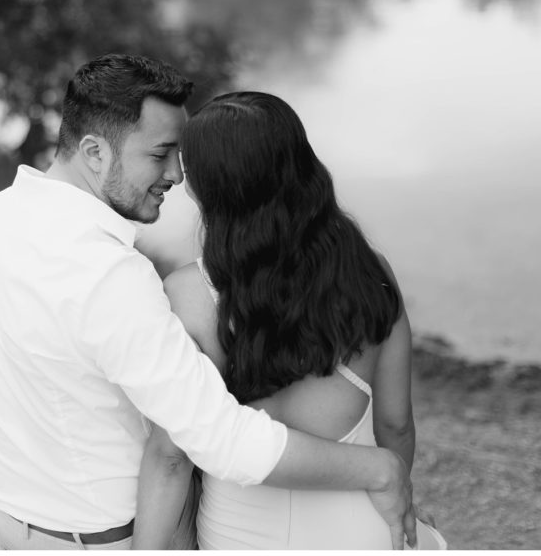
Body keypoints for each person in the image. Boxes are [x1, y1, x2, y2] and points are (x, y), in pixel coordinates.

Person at [0, 55, 417, 551]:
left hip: (13, 513)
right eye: (161, 154)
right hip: (102, 536)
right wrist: (381, 469)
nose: (177, 176)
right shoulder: (112, 275)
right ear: (94, 153)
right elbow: (214, 438)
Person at [132, 91, 447, 550]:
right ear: (301, 164)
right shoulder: (369, 275)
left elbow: (171, 457)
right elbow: (396, 424)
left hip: (237, 532)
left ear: (207, 187)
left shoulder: (188, 294)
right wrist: (399, 495)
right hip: (357, 525)